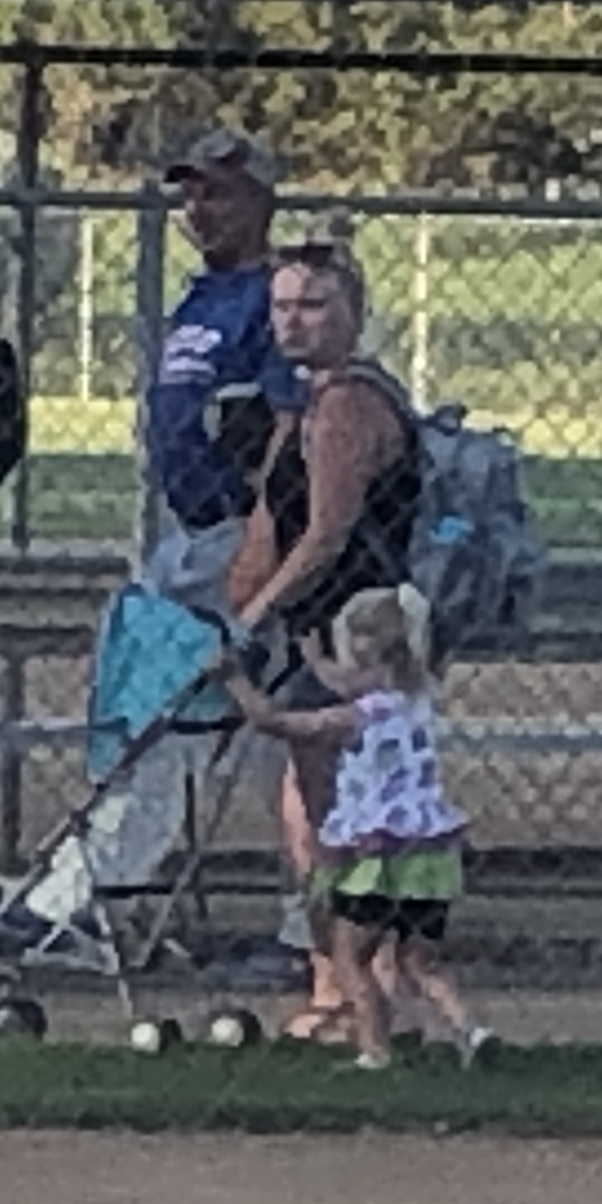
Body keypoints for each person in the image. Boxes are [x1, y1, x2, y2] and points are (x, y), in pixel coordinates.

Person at [230, 238, 423, 1034]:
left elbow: (327, 533)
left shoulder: (348, 405)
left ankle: (366, 994)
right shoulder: (305, 404)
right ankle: (337, 987)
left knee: (344, 820)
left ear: (354, 312)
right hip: (319, 633)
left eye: (313, 305)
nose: (293, 322)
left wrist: (252, 617)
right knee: (311, 815)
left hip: (357, 637)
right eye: (282, 306)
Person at [223, 583, 489, 1066]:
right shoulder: (418, 700)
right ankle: (472, 1032)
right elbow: (348, 683)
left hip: (378, 859)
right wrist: (317, 660)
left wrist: (235, 681)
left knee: (349, 956)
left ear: (369, 664)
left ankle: (375, 1051)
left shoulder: (354, 718)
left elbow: (276, 723)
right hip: (429, 856)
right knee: (419, 960)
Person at [144, 129, 299, 607]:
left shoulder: (279, 296)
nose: (197, 211)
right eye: (190, 197)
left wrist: (262, 529)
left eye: (216, 196)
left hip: (241, 525)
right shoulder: (201, 296)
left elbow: (290, 421)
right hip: (188, 524)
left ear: (259, 203)